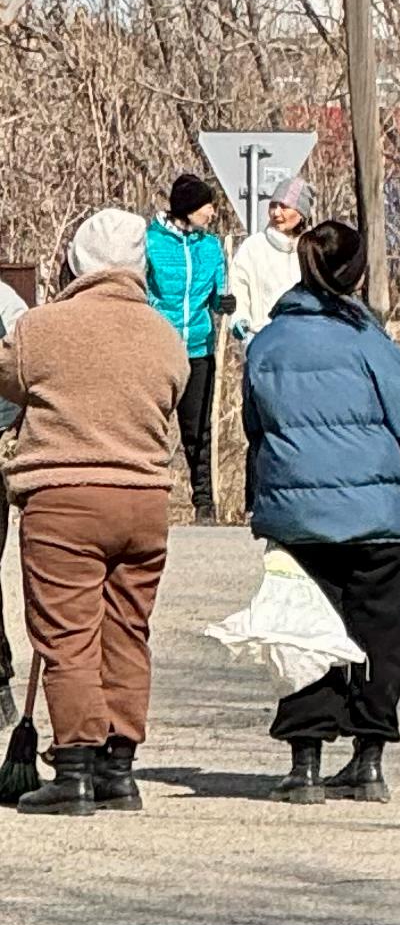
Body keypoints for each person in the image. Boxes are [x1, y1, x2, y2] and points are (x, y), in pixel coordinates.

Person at [239, 219, 400, 800]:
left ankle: (304, 766)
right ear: (355, 275)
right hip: (381, 516)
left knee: (304, 627)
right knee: (381, 628)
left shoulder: (267, 344)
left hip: (299, 513)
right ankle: (368, 759)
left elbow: (258, 429)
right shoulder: (374, 343)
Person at [0, 208, 188, 815]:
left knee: (68, 634)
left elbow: (7, 378)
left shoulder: (41, 328)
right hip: (144, 501)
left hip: (63, 502)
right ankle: (119, 767)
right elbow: (178, 391)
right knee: (128, 629)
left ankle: (74, 764)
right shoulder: (165, 335)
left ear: (75, 263)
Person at [145, 172, 232, 523]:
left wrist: (225, 304)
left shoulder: (210, 247)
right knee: (151, 425)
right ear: (189, 208)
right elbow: (141, 287)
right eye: (207, 206)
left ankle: (204, 502)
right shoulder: (150, 242)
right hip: (158, 348)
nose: (212, 213)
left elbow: (217, 295)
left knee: (198, 429)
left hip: (199, 348)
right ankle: (149, 497)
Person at [230, 186, 311, 341]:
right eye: (273, 205)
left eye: (284, 207)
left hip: (303, 339)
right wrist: (240, 317)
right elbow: (238, 285)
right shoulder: (254, 246)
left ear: (301, 214)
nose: (276, 212)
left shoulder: (311, 249)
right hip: (262, 339)